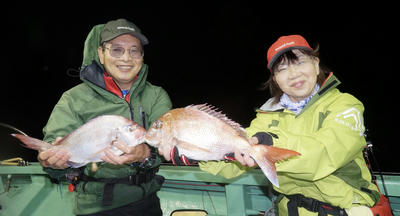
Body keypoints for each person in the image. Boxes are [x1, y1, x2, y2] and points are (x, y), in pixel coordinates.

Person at [162, 35, 381, 216]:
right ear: (275, 79)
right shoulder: (266, 116)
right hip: (289, 209)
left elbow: (323, 154)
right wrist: (199, 154)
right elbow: (238, 161)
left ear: (316, 64)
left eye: (300, 62)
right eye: (283, 69)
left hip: (346, 208)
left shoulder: (345, 105)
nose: (294, 74)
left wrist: (270, 143)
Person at [37, 18, 172, 216]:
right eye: (116, 49)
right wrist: (52, 161)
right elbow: (52, 154)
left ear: (142, 56)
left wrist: (145, 154)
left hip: (147, 202)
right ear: (101, 54)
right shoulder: (73, 99)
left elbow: (165, 145)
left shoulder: (156, 96)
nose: (126, 58)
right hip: (95, 207)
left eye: (134, 50)